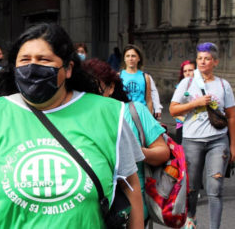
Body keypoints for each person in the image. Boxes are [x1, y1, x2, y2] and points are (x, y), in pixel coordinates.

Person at [0, 23, 144, 228]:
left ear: (68, 68)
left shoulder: (109, 114)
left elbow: (130, 187)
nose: (32, 67)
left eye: (43, 60)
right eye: (24, 60)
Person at [83, 58, 170, 224]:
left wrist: (134, 152)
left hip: (131, 210)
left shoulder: (134, 110)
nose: (90, 93)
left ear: (111, 88)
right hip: (88, 212)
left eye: (95, 86)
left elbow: (163, 152)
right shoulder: (75, 117)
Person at [170, 42, 235, 229]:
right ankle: (191, 219)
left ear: (215, 62)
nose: (203, 62)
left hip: (218, 140)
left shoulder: (223, 85)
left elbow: (231, 116)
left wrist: (233, 146)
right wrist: (195, 103)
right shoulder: (187, 83)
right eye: (200, 58)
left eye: (207, 59)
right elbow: (173, 110)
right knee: (191, 188)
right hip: (192, 141)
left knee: (215, 189)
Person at [119, 44, 153, 113]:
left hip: (141, 114)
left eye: (133, 56)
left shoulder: (145, 77)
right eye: (128, 56)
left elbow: (148, 100)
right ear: (124, 59)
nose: (130, 59)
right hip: (124, 114)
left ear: (139, 58)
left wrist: (150, 118)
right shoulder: (118, 76)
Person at [174, 60, 196, 145]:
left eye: (190, 70)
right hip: (182, 125)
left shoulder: (202, 86)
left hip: (199, 126)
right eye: (185, 71)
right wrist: (185, 120)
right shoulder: (179, 87)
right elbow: (174, 111)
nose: (187, 73)